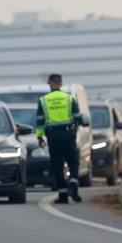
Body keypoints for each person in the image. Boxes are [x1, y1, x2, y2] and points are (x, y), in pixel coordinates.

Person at [36, 74, 84, 204]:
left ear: (50, 84)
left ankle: (63, 196)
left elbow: (39, 122)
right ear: (61, 84)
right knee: (73, 162)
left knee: (57, 166)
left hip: (52, 136)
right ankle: (73, 185)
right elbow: (77, 117)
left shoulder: (43, 100)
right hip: (67, 134)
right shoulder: (69, 99)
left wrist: (40, 137)